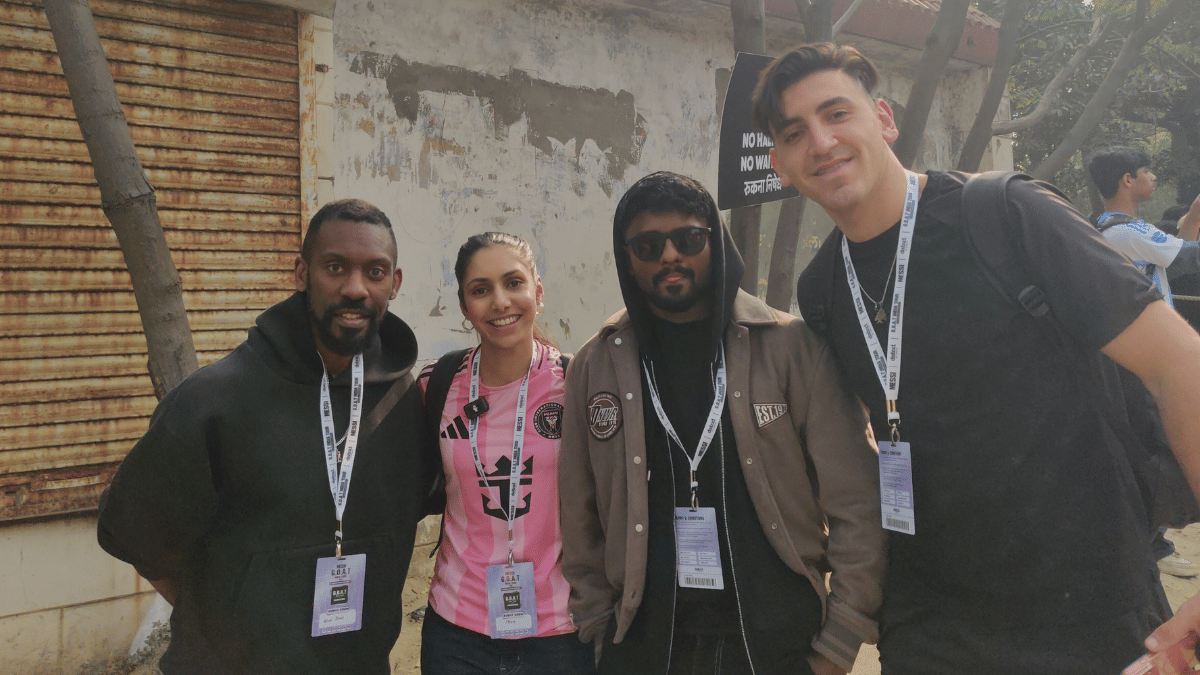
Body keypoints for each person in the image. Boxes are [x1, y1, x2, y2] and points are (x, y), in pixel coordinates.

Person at [753, 42, 1200, 674]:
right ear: (779, 164)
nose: (821, 143)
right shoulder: (821, 290)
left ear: (883, 119)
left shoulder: (1006, 214)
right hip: (930, 629)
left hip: (1089, 613)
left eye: (836, 114)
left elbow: (1178, 361)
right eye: (795, 133)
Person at [558, 171, 885, 675]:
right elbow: (578, 517)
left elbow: (856, 502)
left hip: (777, 642)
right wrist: (599, 627)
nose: (670, 256)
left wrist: (840, 641)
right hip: (644, 644)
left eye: (689, 239)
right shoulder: (597, 364)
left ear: (715, 239)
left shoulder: (790, 348)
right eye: (648, 244)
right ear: (627, 257)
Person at [97, 199, 432, 675]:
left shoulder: (403, 399)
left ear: (394, 284)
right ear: (302, 273)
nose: (355, 288)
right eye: (335, 267)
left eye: (375, 272)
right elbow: (137, 535)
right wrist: (226, 624)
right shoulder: (214, 400)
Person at [416, 232, 594, 675]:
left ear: (538, 290)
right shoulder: (435, 386)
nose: (500, 301)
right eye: (481, 290)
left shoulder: (578, 384)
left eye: (513, 283)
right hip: (456, 633)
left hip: (559, 633)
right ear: (464, 307)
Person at [1087, 147, 1200, 306]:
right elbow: (1192, 257)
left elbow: (1175, 264)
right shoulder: (1127, 232)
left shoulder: (1105, 226)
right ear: (1128, 180)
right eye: (1146, 172)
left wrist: (1195, 212)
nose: (1153, 177)